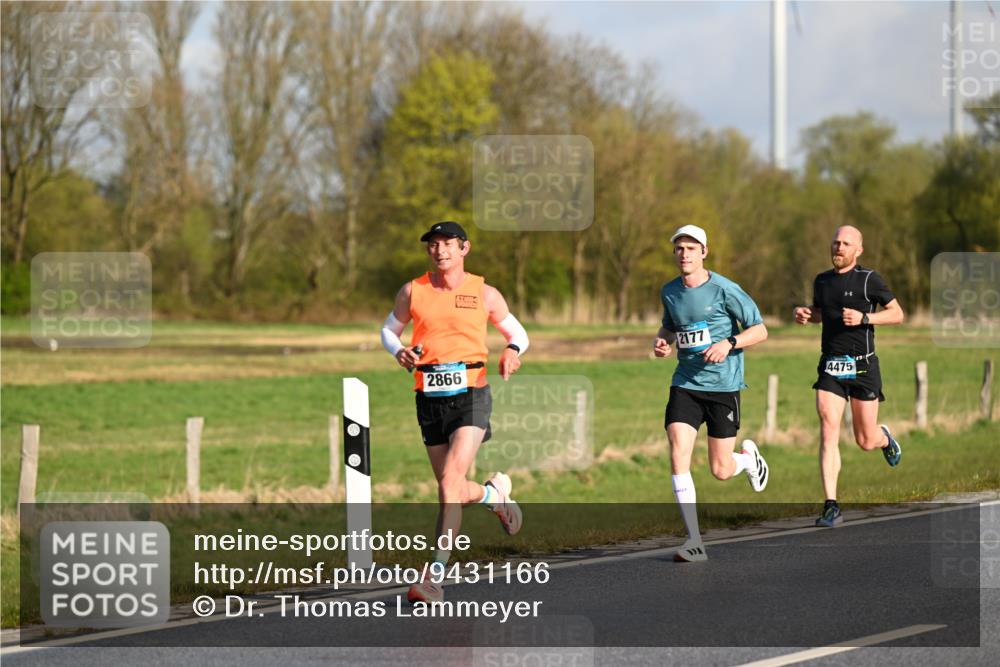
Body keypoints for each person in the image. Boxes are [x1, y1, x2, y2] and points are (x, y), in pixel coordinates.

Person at [380, 221, 529, 603]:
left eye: (448, 244)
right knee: (453, 490)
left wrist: (512, 352)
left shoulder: (485, 292)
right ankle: (494, 496)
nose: (440, 250)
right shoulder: (413, 291)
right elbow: (388, 330)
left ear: (465, 248)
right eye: (433, 244)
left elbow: (518, 334)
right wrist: (398, 350)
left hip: (471, 395)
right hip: (428, 398)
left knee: (449, 483)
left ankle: (434, 577)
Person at [653, 224, 770, 562]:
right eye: (679, 248)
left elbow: (760, 329)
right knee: (677, 451)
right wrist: (662, 341)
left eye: (691, 248)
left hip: (723, 386)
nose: (684, 254)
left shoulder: (725, 289)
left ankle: (748, 461)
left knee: (720, 469)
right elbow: (670, 325)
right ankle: (694, 540)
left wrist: (729, 342)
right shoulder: (670, 291)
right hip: (685, 383)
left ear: (704, 252)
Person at [794, 225, 904, 527]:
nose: (838, 247)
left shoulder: (870, 280)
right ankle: (831, 505)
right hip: (830, 366)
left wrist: (866, 317)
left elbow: (897, 314)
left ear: (858, 250)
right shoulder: (822, 281)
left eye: (845, 243)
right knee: (828, 429)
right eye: (835, 242)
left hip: (863, 367)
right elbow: (822, 312)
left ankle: (885, 439)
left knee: (865, 440)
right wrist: (807, 314)